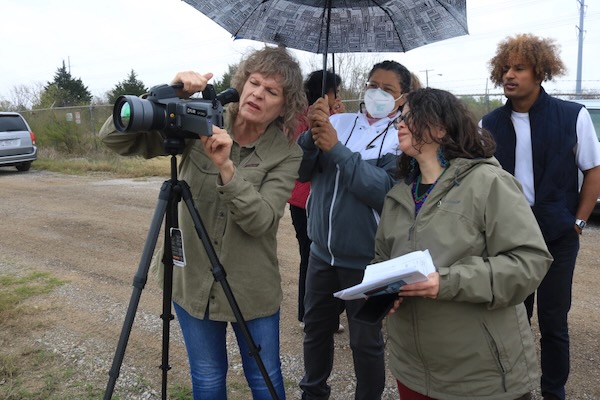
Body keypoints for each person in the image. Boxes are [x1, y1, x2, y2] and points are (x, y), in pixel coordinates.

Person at [99, 46, 306, 400]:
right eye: (254, 83)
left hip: (251, 287)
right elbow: (114, 138)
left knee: (265, 379)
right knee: (208, 379)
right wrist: (170, 92)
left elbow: (261, 221)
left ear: (284, 106)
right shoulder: (201, 118)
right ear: (242, 84)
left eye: (272, 91)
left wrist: (227, 168)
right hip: (193, 280)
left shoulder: (287, 152)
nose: (257, 93)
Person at [375, 87, 553, 400]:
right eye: (398, 120)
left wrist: (447, 281)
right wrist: (382, 289)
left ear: (441, 127)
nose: (399, 125)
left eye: (408, 118)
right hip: (412, 371)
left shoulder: (488, 183)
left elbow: (530, 262)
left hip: (479, 376)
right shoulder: (398, 194)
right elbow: (381, 258)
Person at [482, 34, 600, 400]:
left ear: (540, 71)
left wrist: (578, 222)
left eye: (519, 67)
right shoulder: (489, 122)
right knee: (510, 320)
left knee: (553, 321)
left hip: (557, 235)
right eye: (505, 68)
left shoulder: (573, 115)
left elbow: (593, 170)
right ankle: (514, 390)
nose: (509, 75)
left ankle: (554, 391)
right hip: (507, 238)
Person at [297, 60, 413, 400]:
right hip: (321, 252)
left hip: (368, 261)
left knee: (365, 340)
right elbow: (303, 173)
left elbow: (383, 194)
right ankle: (312, 392)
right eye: (372, 84)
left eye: (388, 89)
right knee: (316, 331)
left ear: (402, 98)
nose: (377, 93)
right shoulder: (339, 121)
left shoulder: (401, 137)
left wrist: (336, 149)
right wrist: (310, 133)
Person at [289, 69, 345, 331]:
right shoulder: (311, 117)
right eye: (336, 91)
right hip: (309, 199)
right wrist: (336, 119)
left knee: (315, 257)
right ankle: (311, 314)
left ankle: (318, 314)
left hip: (304, 199)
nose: (339, 97)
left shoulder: (310, 114)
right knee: (315, 258)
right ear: (327, 92)